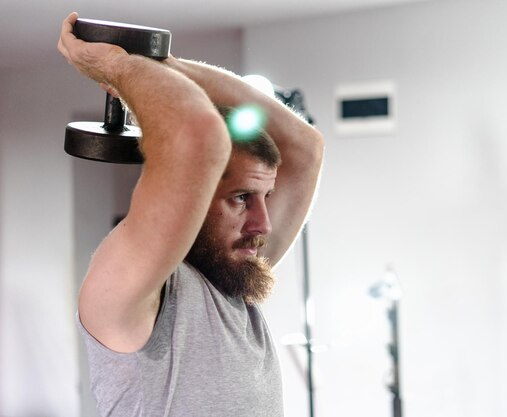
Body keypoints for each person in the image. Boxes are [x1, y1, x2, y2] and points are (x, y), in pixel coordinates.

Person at [58, 12, 324, 417]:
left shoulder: (232, 277)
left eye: (266, 196)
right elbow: (197, 135)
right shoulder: (133, 287)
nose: (263, 224)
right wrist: (116, 67)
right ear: (194, 197)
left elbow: (306, 148)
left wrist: (160, 64)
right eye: (240, 198)